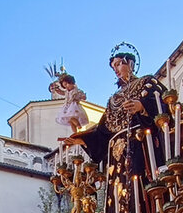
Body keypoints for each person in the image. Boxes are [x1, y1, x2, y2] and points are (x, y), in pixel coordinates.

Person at [66, 45, 166, 197]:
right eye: (114, 67)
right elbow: (102, 131)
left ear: (130, 64)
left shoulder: (147, 82)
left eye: (119, 64)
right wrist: (83, 140)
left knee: (141, 190)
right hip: (117, 157)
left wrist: (142, 106)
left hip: (140, 145)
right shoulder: (114, 99)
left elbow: (163, 106)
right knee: (120, 195)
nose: (117, 70)